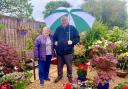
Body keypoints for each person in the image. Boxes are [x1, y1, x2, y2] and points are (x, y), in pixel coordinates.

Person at [53, 16, 80, 83]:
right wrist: (55, 42)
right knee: (59, 66)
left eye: (65, 20)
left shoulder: (72, 28)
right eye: (62, 20)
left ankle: (69, 76)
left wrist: (72, 42)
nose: (64, 21)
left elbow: (77, 38)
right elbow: (54, 38)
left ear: (68, 21)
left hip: (68, 52)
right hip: (59, 52)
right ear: (61, 21)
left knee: (69, 65)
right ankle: (59, 76)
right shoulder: (58, 29)